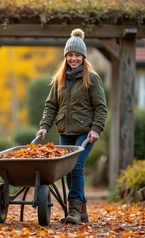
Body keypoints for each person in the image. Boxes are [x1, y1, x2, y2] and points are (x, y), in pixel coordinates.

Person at [36, 28, 107, 224]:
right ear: (66, 56)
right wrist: (44, 126)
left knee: (76, 167)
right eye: (70, 55)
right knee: (67, 170)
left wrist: (96, 129)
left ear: (83, 57)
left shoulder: (92, 78)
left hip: (85, 132)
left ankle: (74, 210)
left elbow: (101, 107)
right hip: (64, 131)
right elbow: (51, 105)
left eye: (77, 55)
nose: (73, 59)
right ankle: (80, 211)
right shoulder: (59, 79)